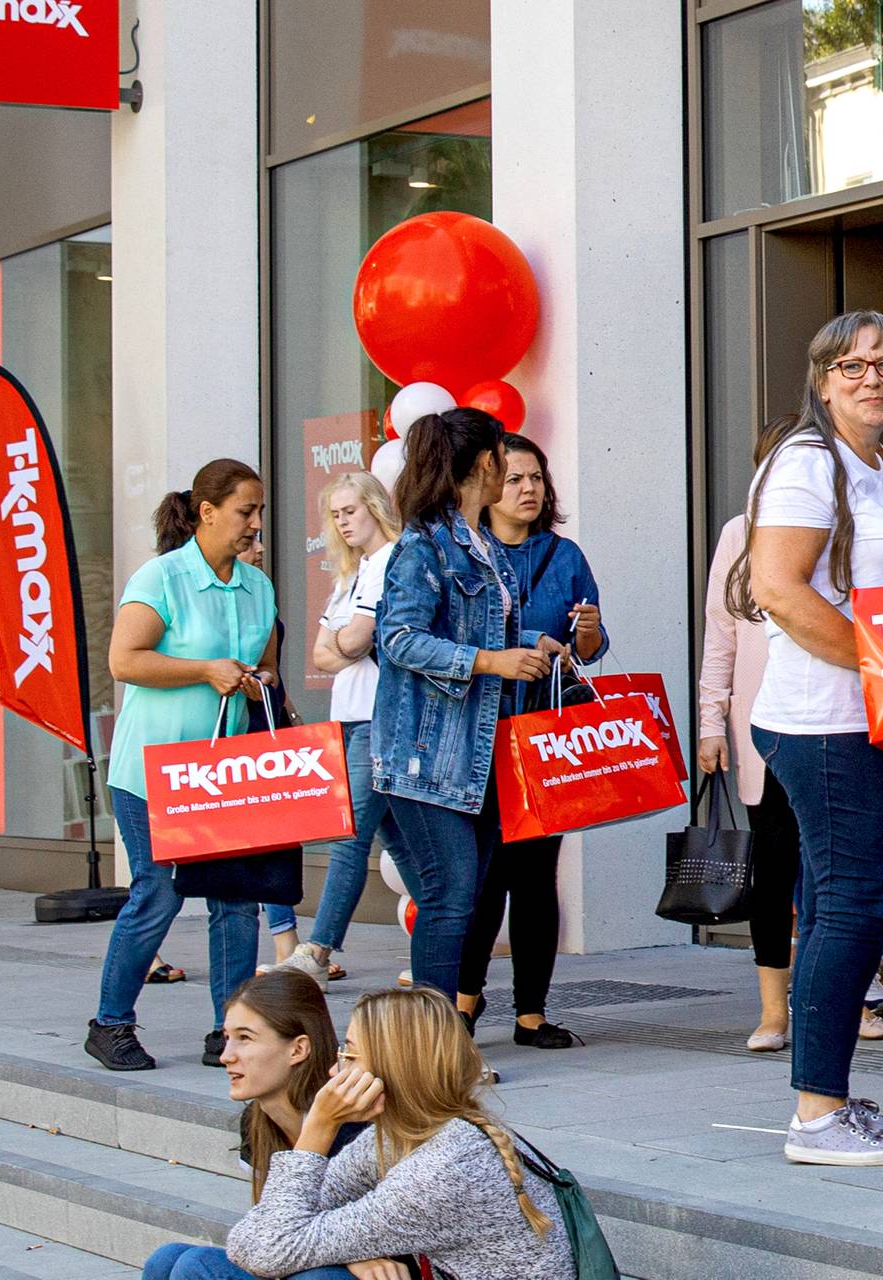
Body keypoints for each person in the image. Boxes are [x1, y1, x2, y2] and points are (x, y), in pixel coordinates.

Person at [737, 311, 883, 1165]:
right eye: (851, 367)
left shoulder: (878, 463)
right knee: (851, 906)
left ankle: (830, 1099)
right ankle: (817, 1116)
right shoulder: (808, 463)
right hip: (826, 723)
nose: (872, 379)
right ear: (821, 382)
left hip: (873, 719)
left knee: (832, 906)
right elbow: (780, 589)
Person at [86, 460, 280, 1073]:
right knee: (159, 893)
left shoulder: (258, 587)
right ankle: (110, 1024)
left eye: (260, 512)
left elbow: (264, 671)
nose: (255, 524)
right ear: (207, 512)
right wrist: (204, 669)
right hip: (153, 771)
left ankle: (233, 1031)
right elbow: (124, 660)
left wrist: (257, 681)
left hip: (228, 775)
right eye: (245, 511)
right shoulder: (162, 576)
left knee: (236, 901)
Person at [375, 408, 561, 1014]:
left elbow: (478, 634)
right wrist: (489, 661)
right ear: (488, 463)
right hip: (427, 754)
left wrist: (530, 650)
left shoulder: (480, 544)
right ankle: (432, 1044)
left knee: (466, 894)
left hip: (476, 754)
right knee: (450, 896)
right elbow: (397, 639)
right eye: (504, 458)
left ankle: (442, 1038)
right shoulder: (425, 545)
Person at [224, 988, 573, 1280]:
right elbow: (251, 1238)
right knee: (179, 1259)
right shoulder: (401, 1136)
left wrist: (318, 1129)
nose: (333, 1069)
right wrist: (346, 1254)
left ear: (391, 1066)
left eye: (348, 1054)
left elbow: (268, 1248)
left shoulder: (445, 1167)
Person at [452, 432, 606, 1049]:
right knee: (482, 876)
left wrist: (587, 634)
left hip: (546, 736)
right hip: (481, 735)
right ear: (489, 488)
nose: (527, 489)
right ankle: (463, 1003)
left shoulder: (564, 556)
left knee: (538, 875)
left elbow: (589, 653)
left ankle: (531, 1013)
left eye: (536, 478)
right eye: (515, 479)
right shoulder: (466, 552)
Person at [142, 973, 395, 1280]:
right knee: (166, 1259)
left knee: (199, 1267)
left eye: (245, 1038)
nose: (225, 1056)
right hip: (304, 1254)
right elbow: (266, 1235)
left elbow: (392, 1227)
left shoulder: (354, 1122)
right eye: (226, 1038)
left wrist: (350, 1252)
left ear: (298, 1049)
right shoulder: (255, 1122)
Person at [700, 414, 814, 1054]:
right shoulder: (739, 536)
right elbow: (720, 636)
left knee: (834, 876)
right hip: (760, 732)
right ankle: (774, 1010)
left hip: (835, 724)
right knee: (773, 871)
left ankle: (842, 1000)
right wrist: (709, 722)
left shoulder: (843, 529)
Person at [269, 475, 406, 988]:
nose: (343, 522)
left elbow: (357, 637)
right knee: (396, 840)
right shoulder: (351, 573)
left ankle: (318, 948)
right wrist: (349, 645)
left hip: (378, 715)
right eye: (336, 515)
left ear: (374, 506)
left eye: (350, 510)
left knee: (350, 835)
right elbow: (323, 651)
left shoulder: (393, 559)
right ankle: (454, 933)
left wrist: (348, 644)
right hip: (348, 715)